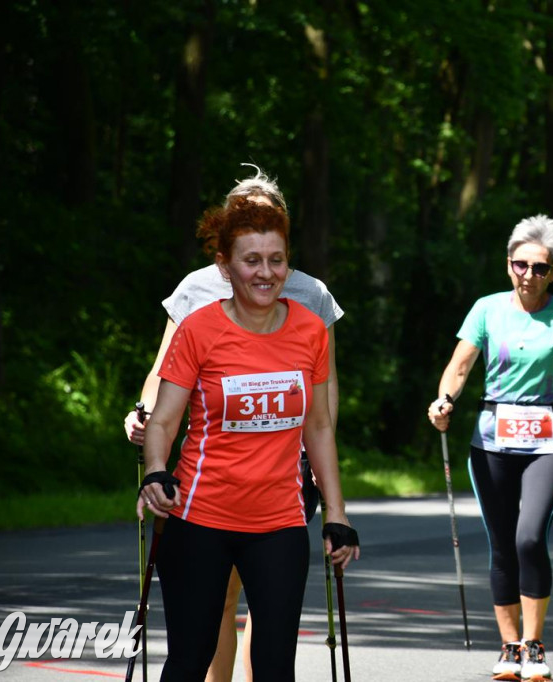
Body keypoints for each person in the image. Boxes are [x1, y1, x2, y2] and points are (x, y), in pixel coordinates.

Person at [123, 166, 343, 681]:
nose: (265, 272)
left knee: (274, 668)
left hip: (281, 522)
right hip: (200, 518)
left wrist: (336, 512)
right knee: (189, 659)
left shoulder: (310, 327)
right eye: (252, 261)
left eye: (276, 260)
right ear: (226, 265)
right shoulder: (199, 328)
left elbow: (320, 427)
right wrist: (156, 471)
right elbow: (165, 419)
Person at [427, 215, 553, 682]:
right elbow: (460, 367)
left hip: (548, 441)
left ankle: (534, 642)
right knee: (502, 543)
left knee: (530, 537)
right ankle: (509, 647)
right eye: (520, 265)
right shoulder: (487, 310)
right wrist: (444, 400)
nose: (529, 275)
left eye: (540, 268)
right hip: (491, 441)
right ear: (508, 265)